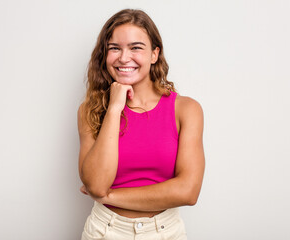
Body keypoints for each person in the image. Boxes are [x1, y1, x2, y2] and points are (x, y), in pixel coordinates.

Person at [77, 8, 205, 240]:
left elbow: (188, 191)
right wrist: (115, 108)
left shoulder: (186, 109)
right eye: (114, 48)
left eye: (136, 47)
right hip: (105, 231)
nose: (124, 58)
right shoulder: (91, 110)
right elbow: (96, 184)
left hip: (166, 232)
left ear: (154, 54)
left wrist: (108, 197)